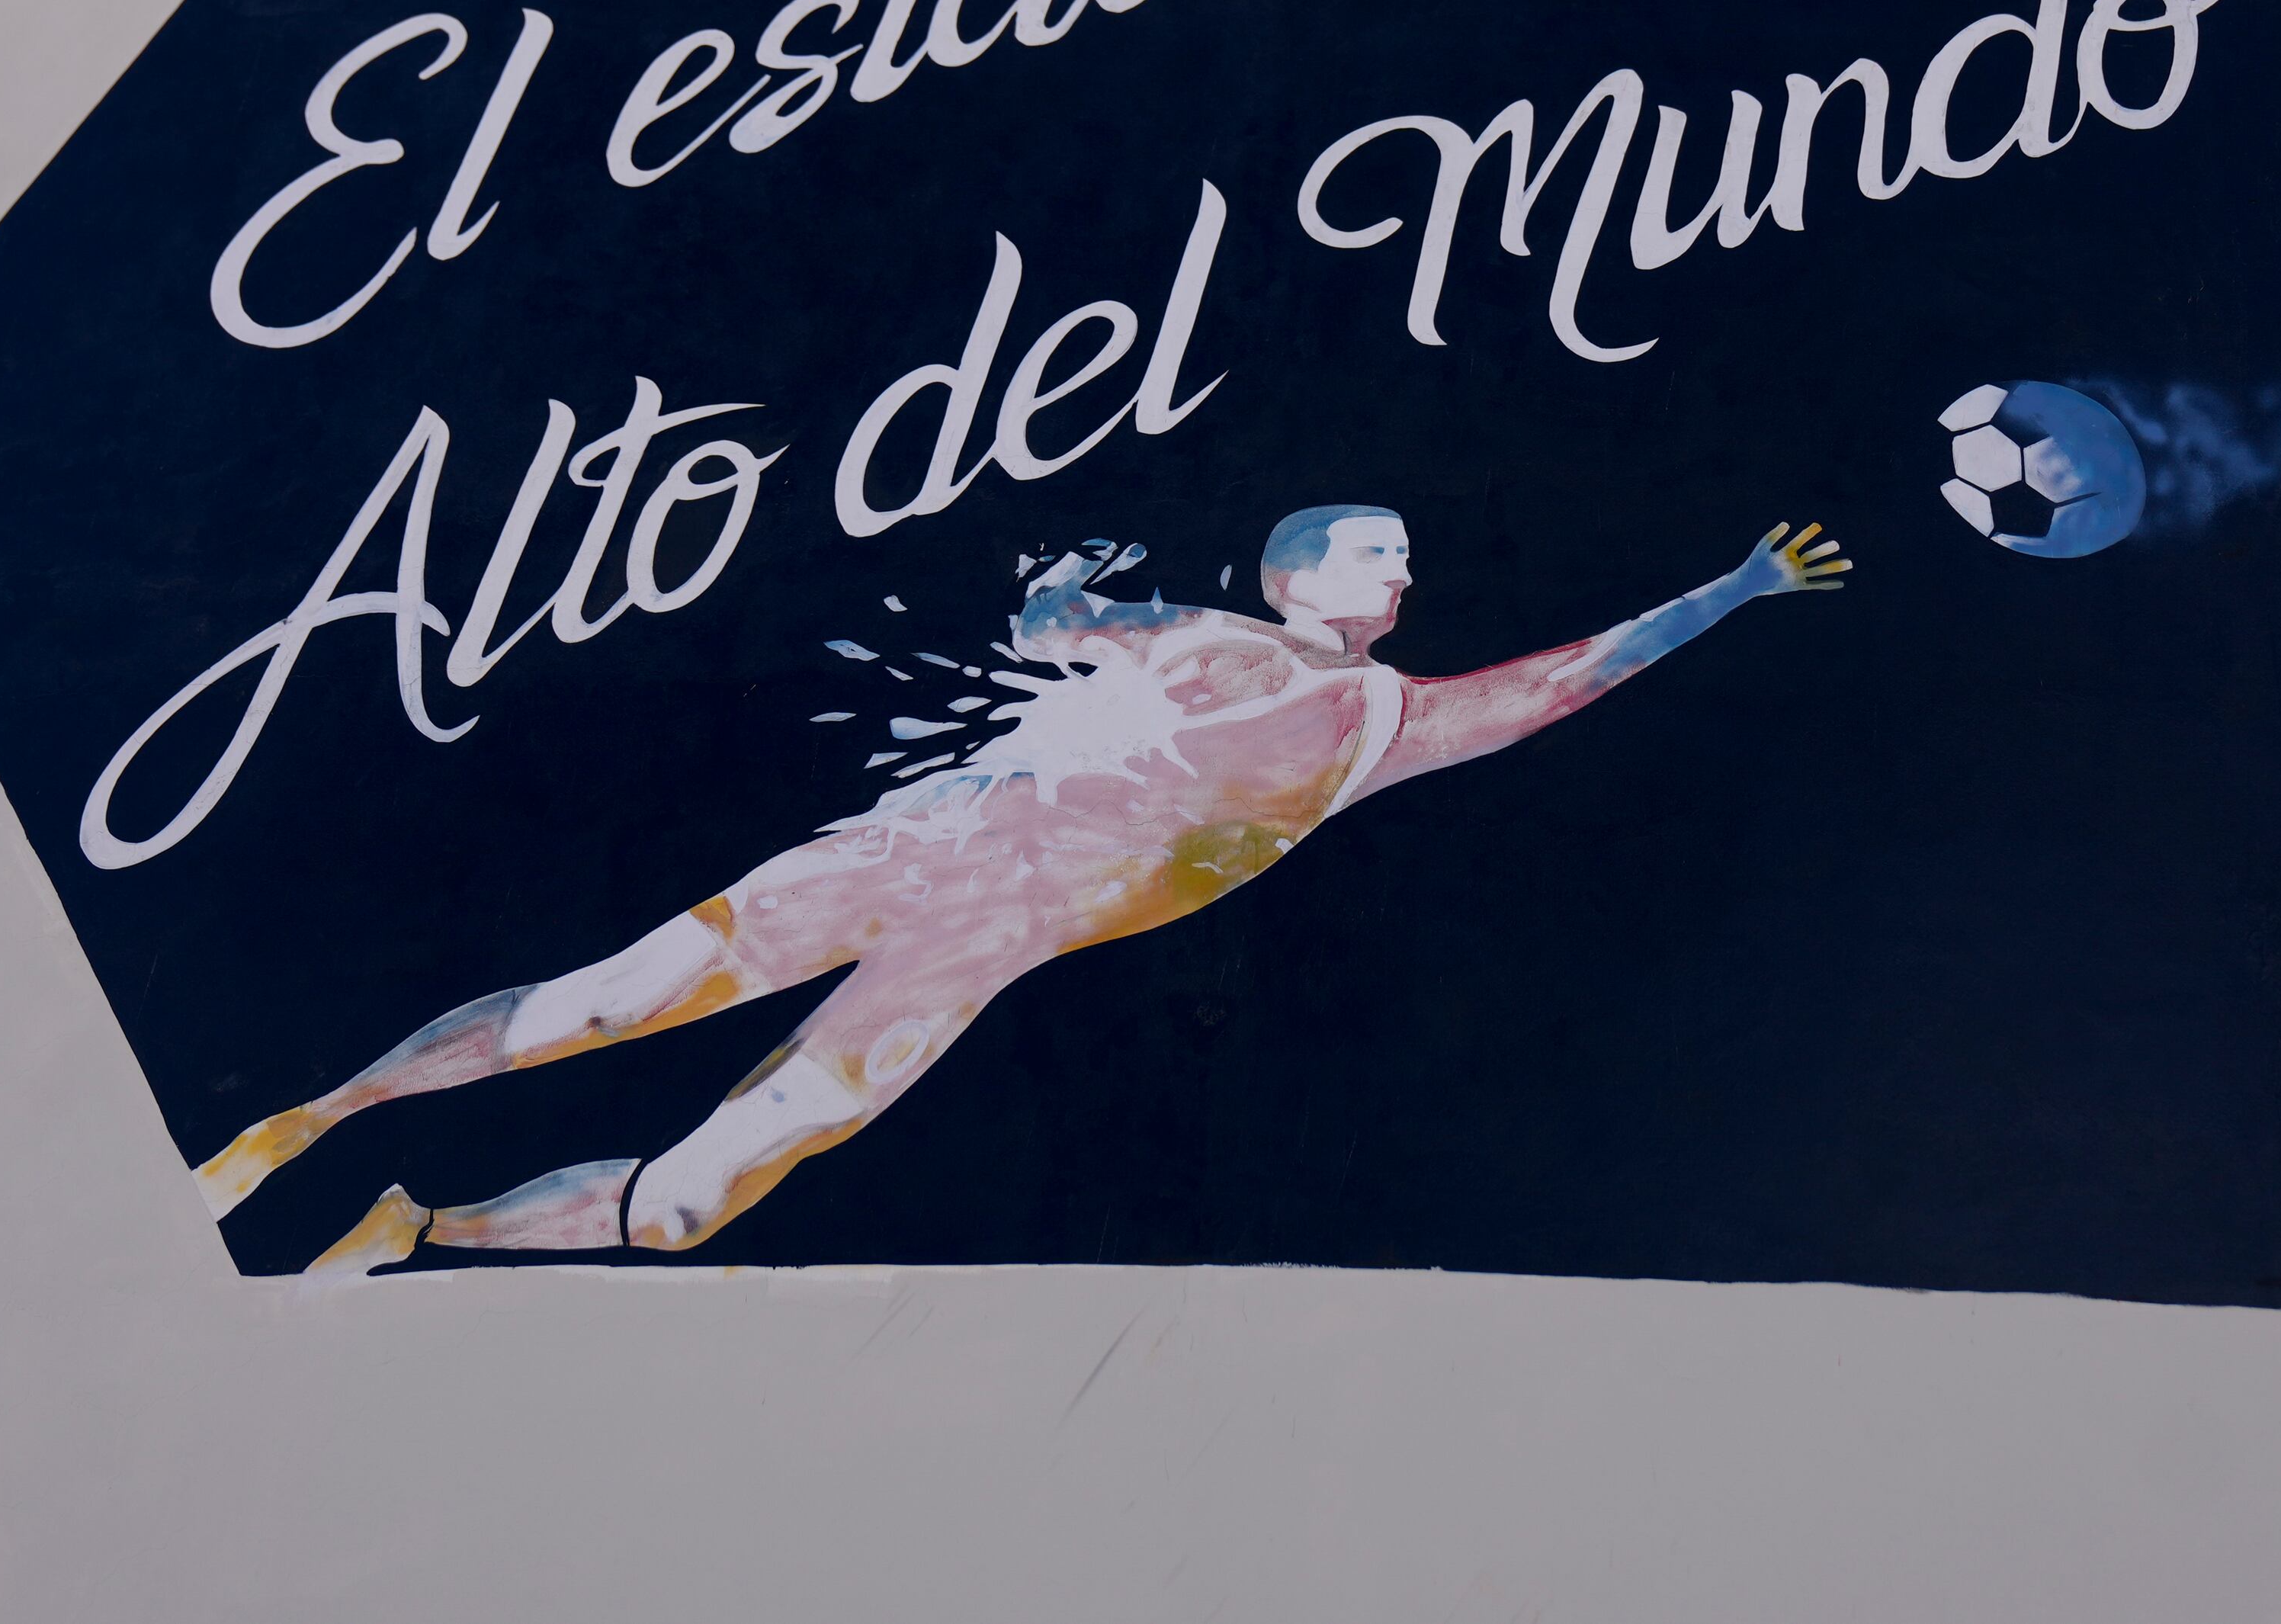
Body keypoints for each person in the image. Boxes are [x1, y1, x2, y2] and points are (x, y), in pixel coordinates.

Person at [194, 506, 1854, 1273]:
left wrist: (1732, 587)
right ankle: (311, 1119)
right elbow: (1049, 634)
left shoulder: (1390, 728)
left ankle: (433, 1228)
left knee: (694, 1209)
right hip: (896, 865)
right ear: (1293, 577)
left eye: (1409, 552)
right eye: (1373, 549)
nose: (1405, 568)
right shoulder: (1202, 639)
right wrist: (1065, 595)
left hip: (972, 961)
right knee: (592, 1012)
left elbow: (1565, 678)